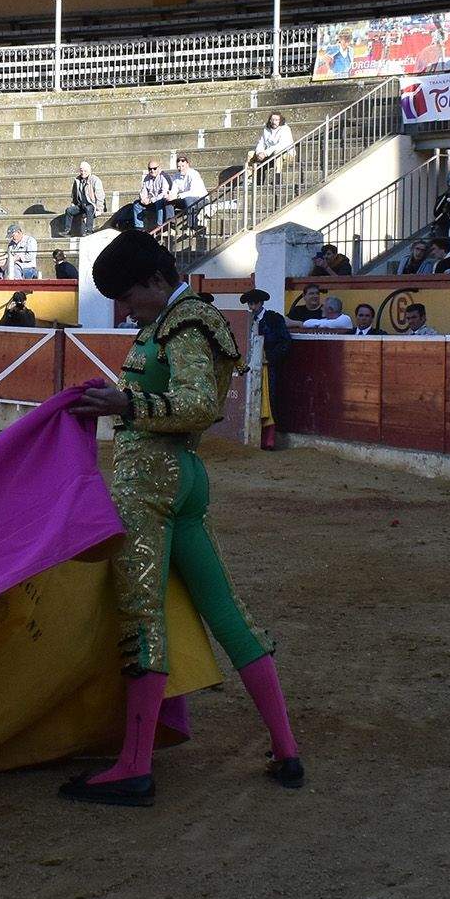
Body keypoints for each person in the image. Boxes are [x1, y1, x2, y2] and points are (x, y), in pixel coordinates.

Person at [60, 231, 302, 806]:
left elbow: (199, 404)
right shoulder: (179, 321)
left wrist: (128, 405)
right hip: (182, 478)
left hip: (151, 483)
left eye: (126, 296)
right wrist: (120, 396)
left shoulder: (184, 323)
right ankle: (287, 750)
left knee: (141, 615)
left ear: (153, 281)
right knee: (225, 609)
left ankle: (134, 766)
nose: (123, 310)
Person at [241, 287, 293, 447]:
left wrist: (269, 358)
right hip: (249, 366)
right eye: (249, 304)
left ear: (261, 303)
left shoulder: (274, 319)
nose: (251, 307)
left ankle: (268, 440)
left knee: (267, 402)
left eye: (254, 303)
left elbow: (285, 342)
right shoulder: (247, 321)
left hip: (267, 367)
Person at [124, 161, 173, 232]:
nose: (152, 171)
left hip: (161, 200)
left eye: (154, 168)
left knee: (159, 202)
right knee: (136, 204)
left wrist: (151, 200)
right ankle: (139, 228)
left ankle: (159, 225)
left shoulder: (163, 177)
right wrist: (143, 199)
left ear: (159, 168)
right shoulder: (147, 178)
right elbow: (143, 191)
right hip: (150, 201)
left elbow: (164, 193)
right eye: (150, 169)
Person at [246, 111, 293, 179]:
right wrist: (259, 152)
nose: (274, 122)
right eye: (272, 119)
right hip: (269, 154)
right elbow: (261, 142)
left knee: (278, 152)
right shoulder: (266, 129)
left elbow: (281, 145)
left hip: (286, 153)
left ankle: (277, 178)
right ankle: (249, 178)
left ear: (280, 120)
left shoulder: (285, 129)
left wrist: (265, 153)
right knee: (250, 154)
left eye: (276, 120)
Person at [167, 154, 209, 229]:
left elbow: (193, 192)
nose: (180, 169)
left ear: (187, 164)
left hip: (201, 199)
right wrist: (170, 195)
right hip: (186, 200)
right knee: (168, 200)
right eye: (179, 167)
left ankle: (191, 226)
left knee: (188, 199)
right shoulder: (176, 176)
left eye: (183, 166)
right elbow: (174, 190)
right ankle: (171, 223)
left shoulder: (193, 174)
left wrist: (177, 196)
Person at [67, 162, 104, 238]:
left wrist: (99, 209)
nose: (83, 173)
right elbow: (74, 194)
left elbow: (100, 196)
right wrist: (73, 204)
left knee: (89, 208)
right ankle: (67, 230)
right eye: (81, 171)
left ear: (89, 171)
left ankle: (88, 230)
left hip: (91, 204)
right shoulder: (77, 180)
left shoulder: (95, 180)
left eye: (85, 171)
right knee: (69, 210)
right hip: (81, 205)